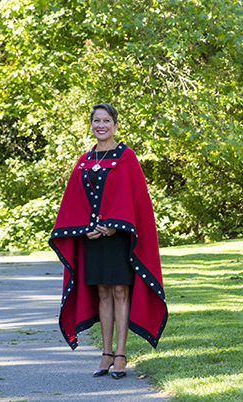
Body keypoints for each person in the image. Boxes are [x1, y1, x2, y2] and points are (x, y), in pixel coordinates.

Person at [50, 103, 168, 379]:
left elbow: (136, 201)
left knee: (119, 292)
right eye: (96, 121)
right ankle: (105, 353)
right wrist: (84, 229)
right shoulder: (84, 159)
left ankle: (121, 356)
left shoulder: (127, 157)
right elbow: (75, 200)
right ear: (90, 125)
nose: (100, 125)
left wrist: (112, 228)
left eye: (106, 121)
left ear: (115, 125)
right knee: (102, 291)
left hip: (118, 238)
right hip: (92, 238)